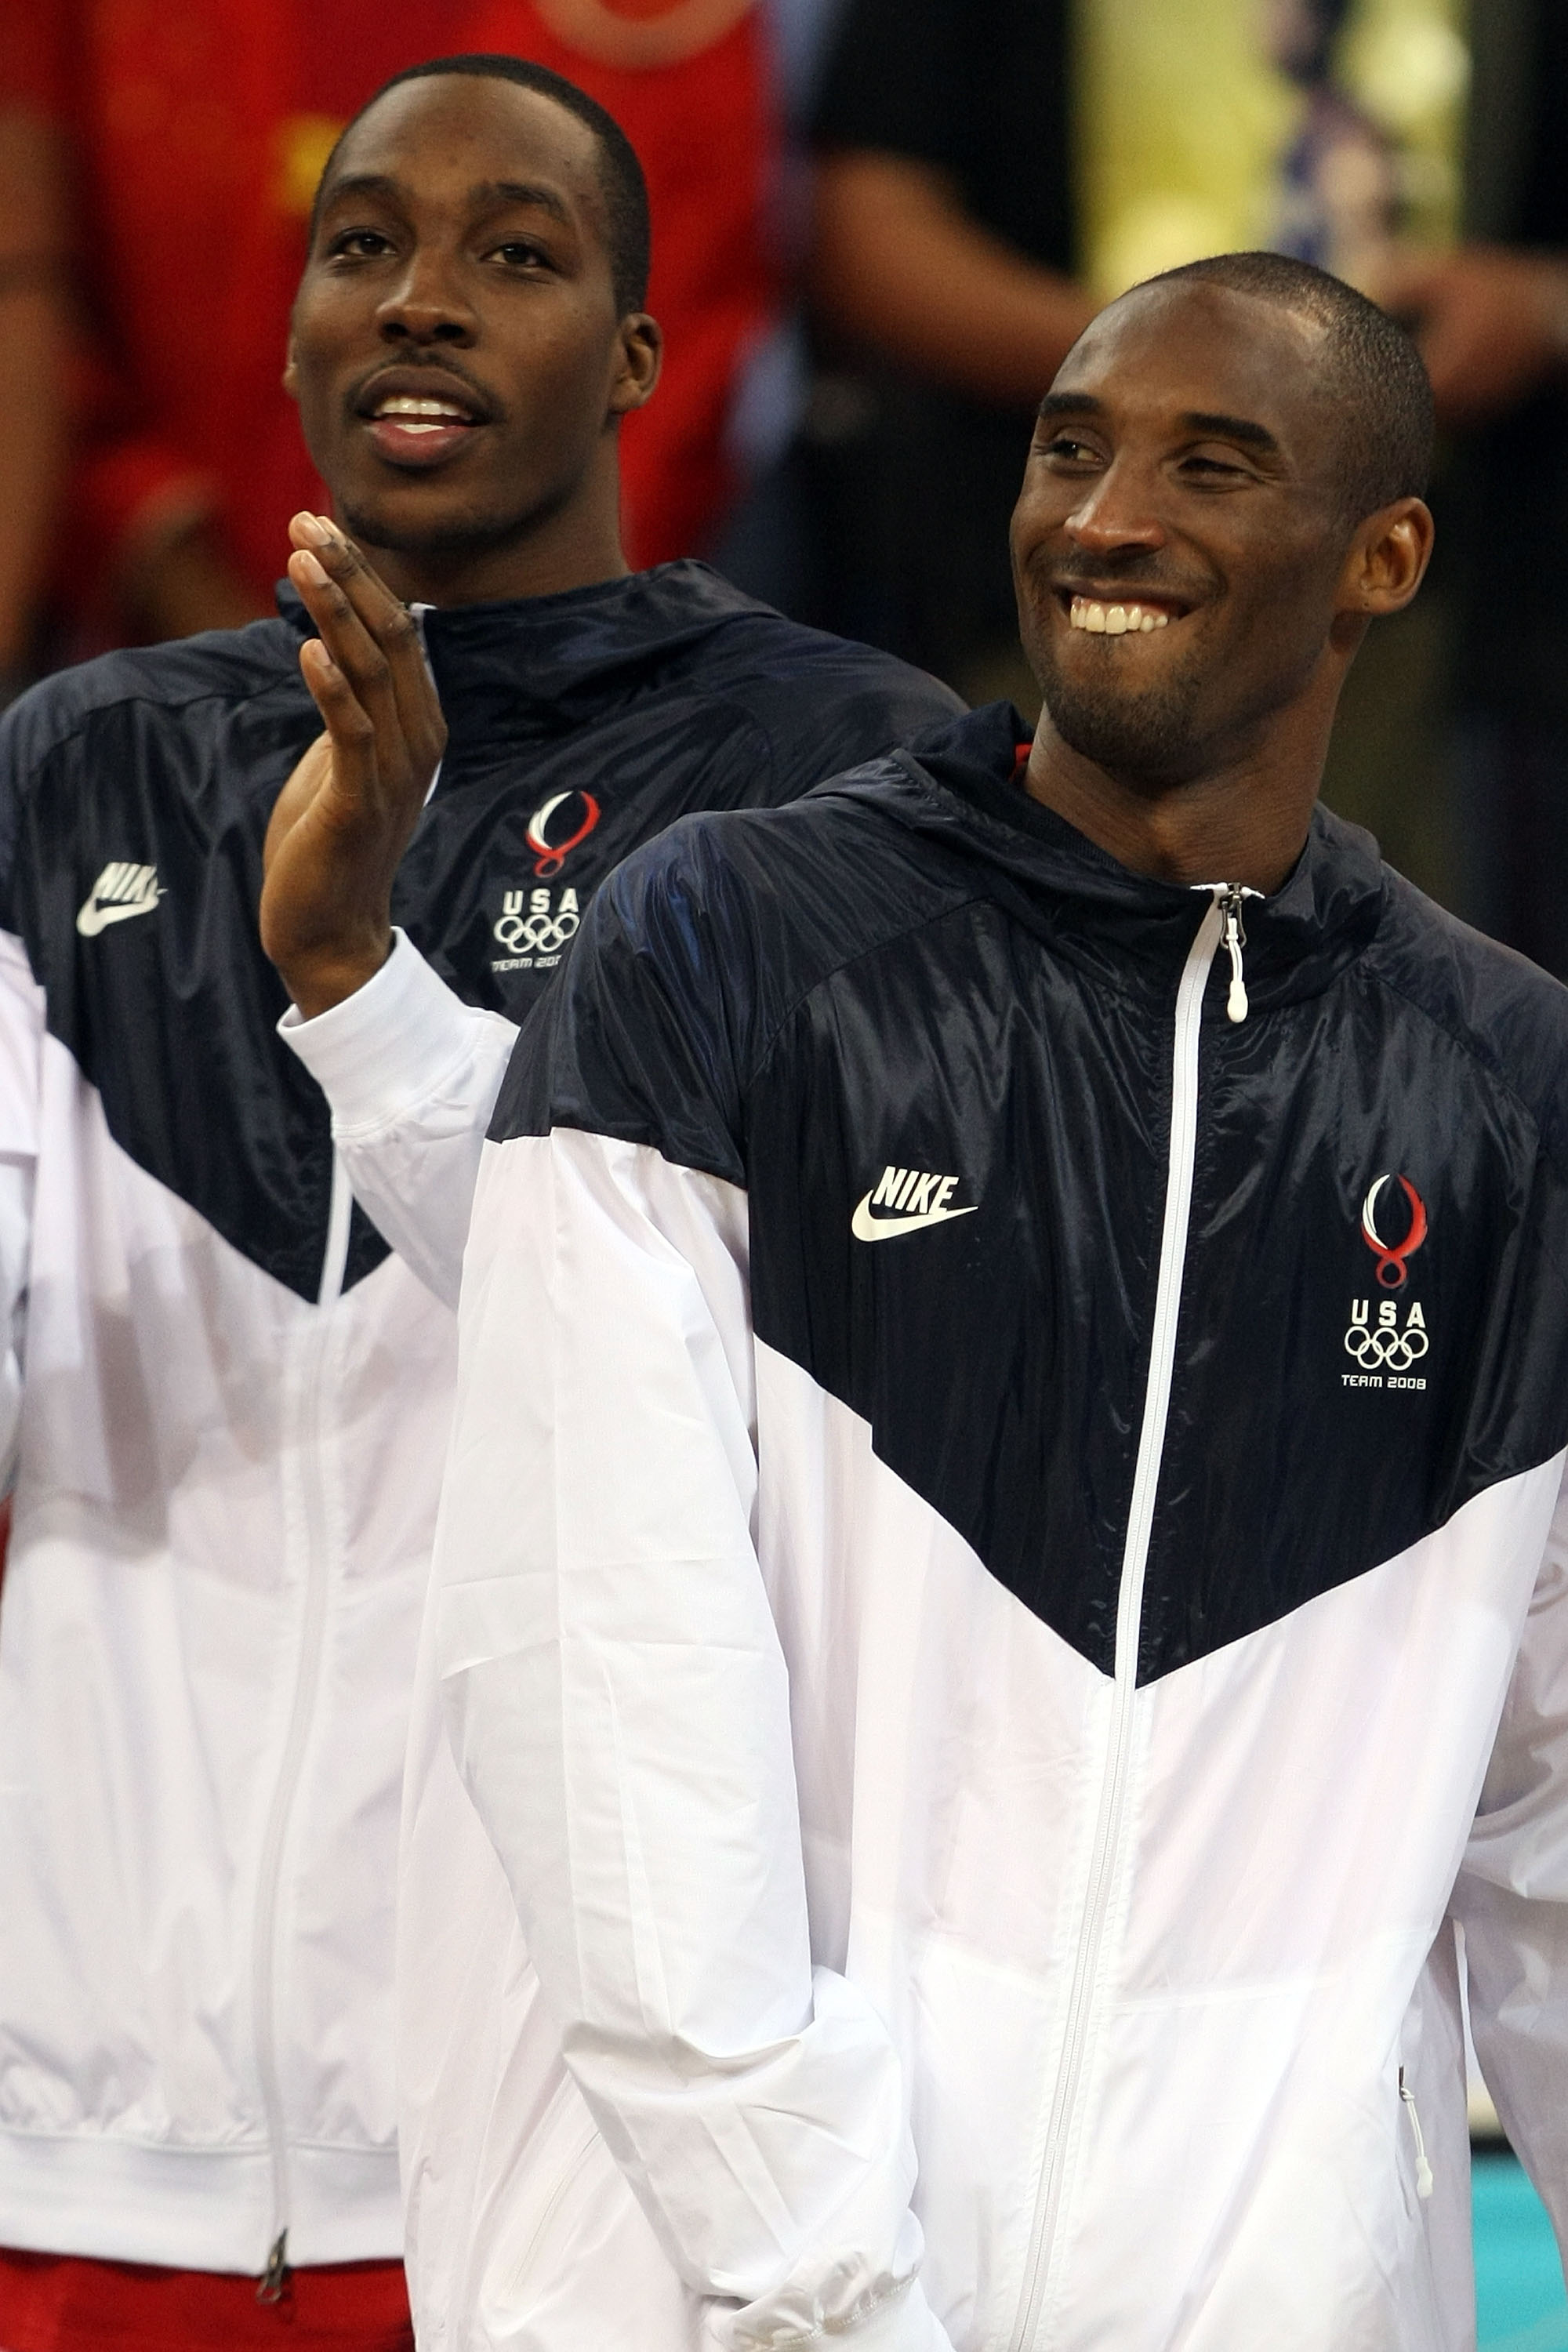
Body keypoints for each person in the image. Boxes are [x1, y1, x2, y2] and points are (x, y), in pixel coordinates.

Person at [410, 254, 1568, 2346]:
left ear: (1382, 556)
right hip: (730, 2304)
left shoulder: (1508, 1095)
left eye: (1210, 464)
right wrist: (822, 2289)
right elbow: (594, 1681)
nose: (1103, 519)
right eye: (1068, 450)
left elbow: (1552, 1828)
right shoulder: (722, 948)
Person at [0, 53, 956, 2352]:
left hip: (564, 2185)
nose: (419, 299)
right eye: (365, 247)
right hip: (84, 2144)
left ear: (638, 356)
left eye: (512, 255)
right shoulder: (79, 761)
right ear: (291, 329)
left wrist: (352, 981)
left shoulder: (843, 780)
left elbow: (798, 1420)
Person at [0, 0, 777, 660]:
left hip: (546, 675)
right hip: (154, 634)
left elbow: (675, 358)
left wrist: (526, 666)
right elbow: (36, 304)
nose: (418, 307)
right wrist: (200, 602)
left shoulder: (658, 24)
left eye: (515, 253)